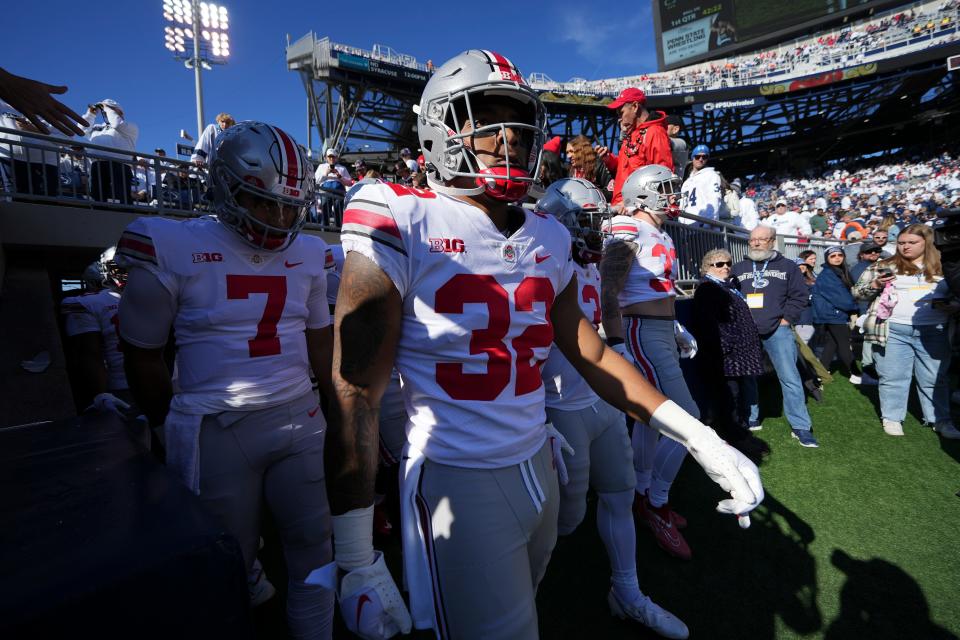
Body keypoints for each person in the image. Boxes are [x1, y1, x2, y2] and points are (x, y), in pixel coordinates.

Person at [324, 50, 761, 640]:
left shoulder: (548, 234)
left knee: (528, 606)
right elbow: (356, 387)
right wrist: (354, 555)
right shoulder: (397, 214)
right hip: (459, 474)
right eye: (486, 117)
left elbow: (595, 354)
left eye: (516, 121)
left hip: (539, 463)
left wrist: (699, 437)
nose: (507, 137)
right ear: (439, 126)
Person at [116, 121, 338, 637]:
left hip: (298, 417)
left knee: (314, 544)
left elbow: (319, 339)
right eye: (261, 202)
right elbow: (143, 356)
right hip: (215, 426)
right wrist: (169, 422)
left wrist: (338, 407)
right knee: (223, 556)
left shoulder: (309, 251)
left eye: (288, 205)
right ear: (222, 185)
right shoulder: (170, 242)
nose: (278, 218)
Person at [536, 178, 688, 639]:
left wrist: (622, 344)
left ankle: (627, 592)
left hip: (599, 403)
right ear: (559, 220)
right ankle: (522, 597)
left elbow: (608, 316)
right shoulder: (535, 267)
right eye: (584, 221)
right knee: (563, 520)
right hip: (560, 407)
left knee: (620, 496)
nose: (595, 232)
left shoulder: (588, 266)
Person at [600, 164, 701, 561]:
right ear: (642, 193)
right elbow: (609, 289)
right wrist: (615, 340)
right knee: (686, 420)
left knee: (650, 420)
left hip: (658, 326)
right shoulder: (627, 226)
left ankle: (642, 494)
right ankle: (656, 502)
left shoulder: (659, 231)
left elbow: (656, 287)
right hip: (639, 328)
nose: (673, 194)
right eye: (665, 188)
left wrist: (674, 325)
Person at [853, 224, 960, 438]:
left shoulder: (946, 266)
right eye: (901, 243)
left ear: (927, 242)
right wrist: (875, 284)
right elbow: (858, 292)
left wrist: (955, 304)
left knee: (934, 378)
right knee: (893, 376)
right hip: (893, 330)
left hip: (935, 330)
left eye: (912, 243)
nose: (905, 247)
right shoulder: (884, 265)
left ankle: (940, 420)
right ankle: (892, 418)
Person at [732, 225, 820, 447]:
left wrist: (786, 319)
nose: (756, 243)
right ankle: (751, 417)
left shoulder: (787, 266)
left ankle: (801, 426)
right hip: (747, 330)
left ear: (772, 241)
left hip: (778, 329)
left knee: (789, 377)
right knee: (748, 376)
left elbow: (800, 296)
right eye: (753, 240)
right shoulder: (739, 267)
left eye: (761, 239)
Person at [689, 248, 769, 462]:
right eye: (719, 264)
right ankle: (731, 442)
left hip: (734, 356)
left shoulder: (728, 287)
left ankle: (734, 436)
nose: (725, 267)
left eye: (727, 263)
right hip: (724, 357)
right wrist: (729, 347)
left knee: (733, 397)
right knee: (728, 399)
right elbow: (710, 326)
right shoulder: (708, 289)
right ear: (707, 268)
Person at [61, 247, 133, 414]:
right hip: (165, 378)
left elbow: (87, 354)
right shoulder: (150, 296)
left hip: (122, 385)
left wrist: (100, 393)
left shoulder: (80, 302)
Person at [606, 87, 673, 207]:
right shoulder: (631, 135)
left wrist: (634, 203)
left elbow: (663, 176)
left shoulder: (655, 132)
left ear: (635, 107)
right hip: (621, 209)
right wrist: (608, 159)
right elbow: (624, 168)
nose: (619, 119)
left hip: (638, 211)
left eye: (621, 112)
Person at [811, 246, 862, 383]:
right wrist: (856, 308)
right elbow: (841, 298)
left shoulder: (837, 272)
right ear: (827, 259)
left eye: (840, 255)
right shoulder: (828, 274)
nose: (837, 258)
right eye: (832, 256)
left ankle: (822, 372)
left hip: (832, 313)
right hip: (833, 314)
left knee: (832, 343)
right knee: (844, 343)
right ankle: (856, 374)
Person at [0, 66, 87, 136]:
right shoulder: (4, 107)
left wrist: (36, 131)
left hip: (45, 157)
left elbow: (68, 140)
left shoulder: (46, 112)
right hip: (6, 156)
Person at [82, 99, 138, 204]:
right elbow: (81, 130)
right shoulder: (97, 127)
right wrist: (90, 115)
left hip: (120, 165)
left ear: (120, 112)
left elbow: (117, 124)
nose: (104, 111)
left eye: (109, 109)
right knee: (97, 197)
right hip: (97, 164)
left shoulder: (130, 127)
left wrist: (107, 107)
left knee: (122, 197)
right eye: (103, 109)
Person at [679, 145, 723, 224]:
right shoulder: (687, 182)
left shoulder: (712, 175)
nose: (701, 159)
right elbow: (682, 204)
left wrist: (709, 223)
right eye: (697, 156)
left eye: (704, 157)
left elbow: (715, 201)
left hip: (704, 227)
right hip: (686, 226)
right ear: (692, 158)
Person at [795, 251, 817, 344]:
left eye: (804, 265)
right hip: (802, 320)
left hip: (812, 318)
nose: (802, 267)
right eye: (799, 266)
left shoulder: (812, 278)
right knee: (803, 346)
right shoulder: (794, 282)